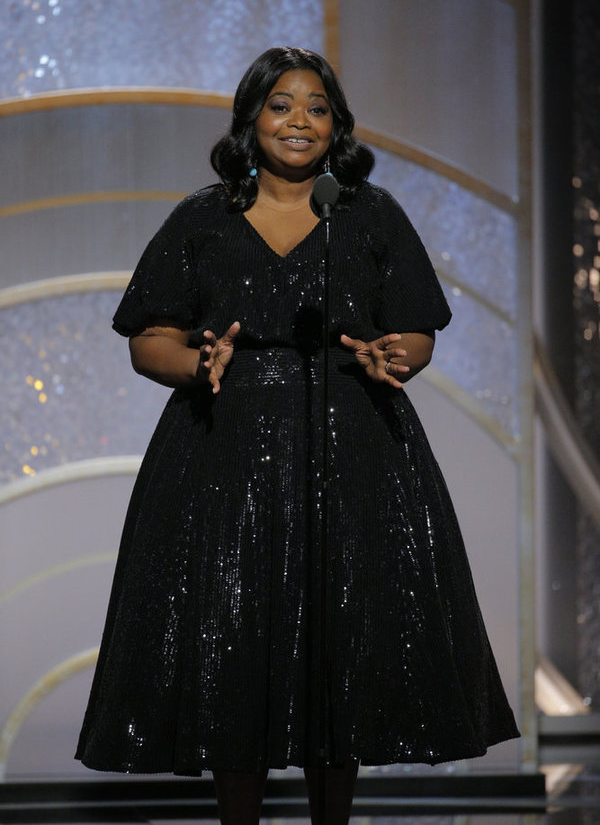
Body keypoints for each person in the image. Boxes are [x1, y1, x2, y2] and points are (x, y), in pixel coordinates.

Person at [76, 47, 519, 824]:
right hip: (220, 447)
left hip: (355, 446)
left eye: (317, 108)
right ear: (251, 119)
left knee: (339, 640)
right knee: (231, 634)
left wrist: (398, 355)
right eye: (282, 105)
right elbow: (151, 337)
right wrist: (195, 361)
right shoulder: (201, 217)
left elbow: (415, 329)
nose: (299, 121)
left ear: (337, 127)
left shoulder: (366, 213)